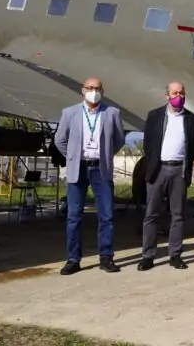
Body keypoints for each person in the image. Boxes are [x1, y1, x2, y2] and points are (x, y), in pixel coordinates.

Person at [54, 77, 125, 275]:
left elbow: (118, 140)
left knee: (107, 215)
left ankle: (106, 257)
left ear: (103, 90)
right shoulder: (70, 113)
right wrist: (73, 156)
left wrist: (106, 155)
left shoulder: (112, 113)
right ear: (82, 90)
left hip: (101, 169)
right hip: (78, 168)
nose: (94, 91)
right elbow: (60, 140)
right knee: (74, 216)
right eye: (90, 88)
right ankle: (73, 259)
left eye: (98, 88)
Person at [138, 81, 194, 271]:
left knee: (178, 215)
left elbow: (193, 146)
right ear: (167, 96)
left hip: (179, 171)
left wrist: (184, 165)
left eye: (182, 93)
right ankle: (148, 255)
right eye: (175, 93)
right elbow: (148, 143)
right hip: (158, 170)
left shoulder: (192, 119)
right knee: (151, 214)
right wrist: (154, 164)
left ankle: (175, 255)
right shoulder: (155, 115)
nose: (179, 96)